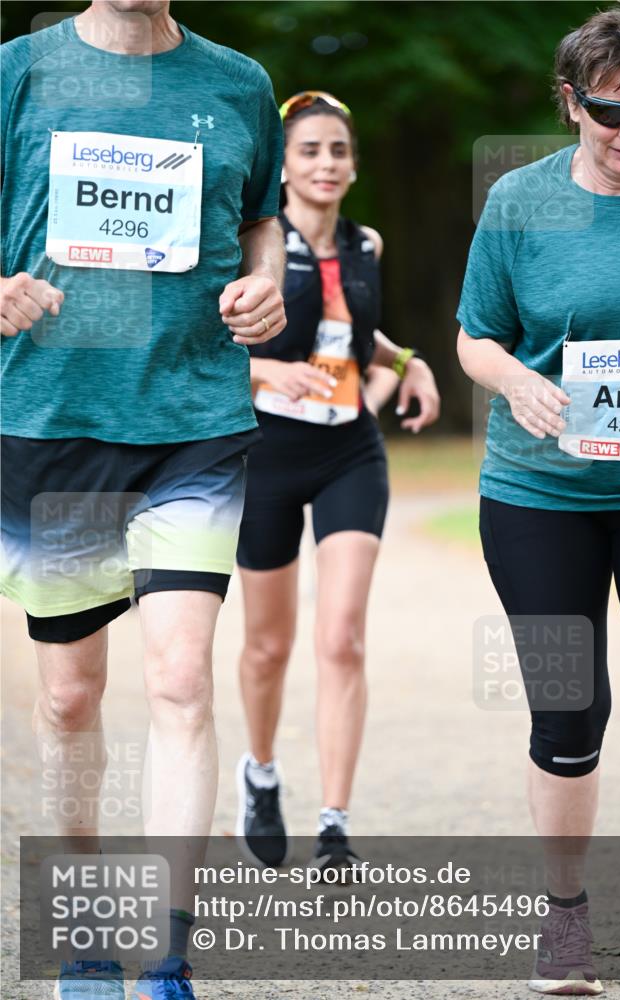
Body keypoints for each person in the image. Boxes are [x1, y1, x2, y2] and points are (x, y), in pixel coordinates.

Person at [0, 2, 285, 997]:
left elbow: (260, 218)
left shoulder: (237, 83)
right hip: (55, 417)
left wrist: (264, 279)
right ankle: (82, 935)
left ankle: (166, 954)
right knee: (72, 694)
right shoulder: (20, 74)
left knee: (178, 680)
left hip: (192, 418)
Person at [456, 5, 620, 995]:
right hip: (536, 494)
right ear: (568, 102)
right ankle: (567, 920)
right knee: (568, 712)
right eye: (609, 113)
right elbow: (473, 336)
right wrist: (514, 381)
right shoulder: (519, 201)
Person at [233, 90, 440, 874]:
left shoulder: (366, 245)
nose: (326, 163)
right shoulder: (250, 246)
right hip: (266, 457)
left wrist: (404, 361)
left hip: (350, 450)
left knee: (342, 637)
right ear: (281, 166)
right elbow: (198, 344)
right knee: (266, 647)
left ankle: (333, 828)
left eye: (337, 151)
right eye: (309, 150)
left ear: (352, 164)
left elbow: (352, 335)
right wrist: (263, 370)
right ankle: (259, 772)